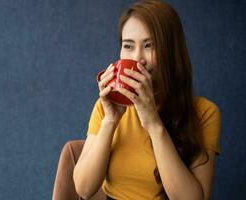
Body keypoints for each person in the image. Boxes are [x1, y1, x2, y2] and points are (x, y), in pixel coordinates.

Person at [73, 0, 221, 199]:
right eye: (128, 46)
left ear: (172, 52)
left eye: (150, 45)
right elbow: (83, 189)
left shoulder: (204, 112)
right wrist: (110, 121)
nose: (137, 58)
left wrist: (153, 123)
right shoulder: (105, 107)